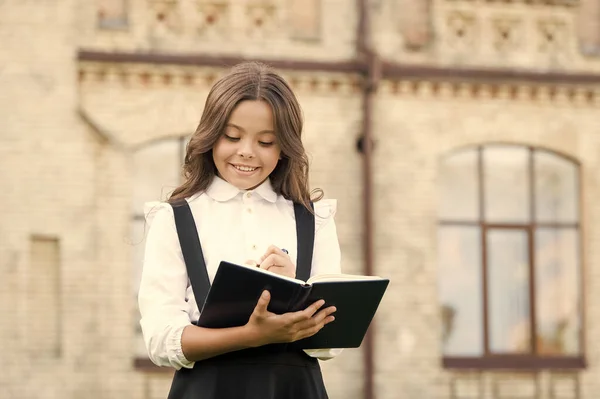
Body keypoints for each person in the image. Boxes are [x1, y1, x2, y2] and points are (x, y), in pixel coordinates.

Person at [138, 61, 343, 399]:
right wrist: (251, 334)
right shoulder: (175, 218)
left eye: (266, 141)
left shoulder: (314, 218)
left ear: (284, 149)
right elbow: (161, 341)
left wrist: (297, 290)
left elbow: (329, 347)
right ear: (210, 135)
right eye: (232, 136)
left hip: (294, 389)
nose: (246, 151)